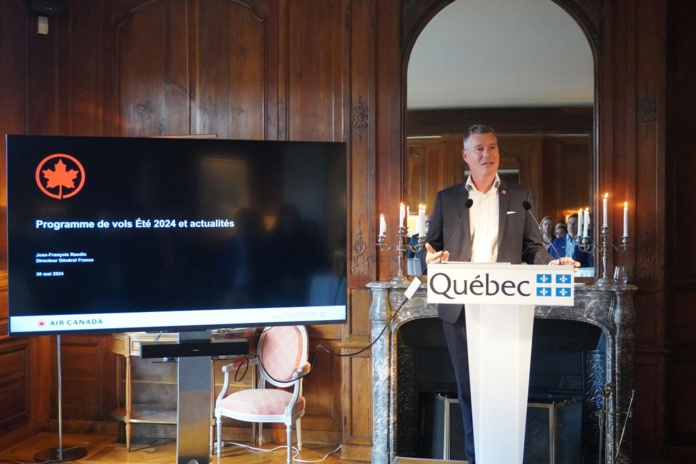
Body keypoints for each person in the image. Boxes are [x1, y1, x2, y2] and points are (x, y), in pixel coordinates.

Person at [423, 124, 578, 464]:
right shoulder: (447, 198)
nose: (486, 154)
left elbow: (532, 248)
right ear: (466, 156)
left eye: (492, 148)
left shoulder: (519, 195)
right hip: (459, 308)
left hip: (506, 307)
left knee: (503, 392)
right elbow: (431, 245)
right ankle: (474, 458)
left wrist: (551, 264)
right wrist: (431, 258)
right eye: (478, 149)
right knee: (468, 392)